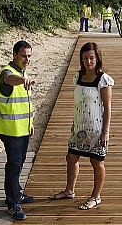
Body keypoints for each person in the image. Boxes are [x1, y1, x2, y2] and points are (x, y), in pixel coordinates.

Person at [49, 42, 114, 210]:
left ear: (98, 58)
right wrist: (73, 125)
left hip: (96, 129)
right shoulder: (78, 77)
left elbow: (107, 108)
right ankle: (69, 190)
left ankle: (96, 196)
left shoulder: (103, 79)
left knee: (96, 161)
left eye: (92, 58)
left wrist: (105, 132)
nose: (89, 61)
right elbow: (78, 103)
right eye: (85, 58)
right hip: (79, 128)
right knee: (71, 158)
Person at [0, 40, 36, 220]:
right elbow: (9, 80)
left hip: (22, 128)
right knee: (13, 165)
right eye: (23, 56)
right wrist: (22, 80)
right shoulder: (8, 72)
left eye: (29, 56)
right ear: (15, 55)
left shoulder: (21, 71)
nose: (27, 59)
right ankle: (12, 203)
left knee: (18, 163)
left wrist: (30, 124)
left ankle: (16, 193)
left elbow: (23, 103)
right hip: (11, 130)